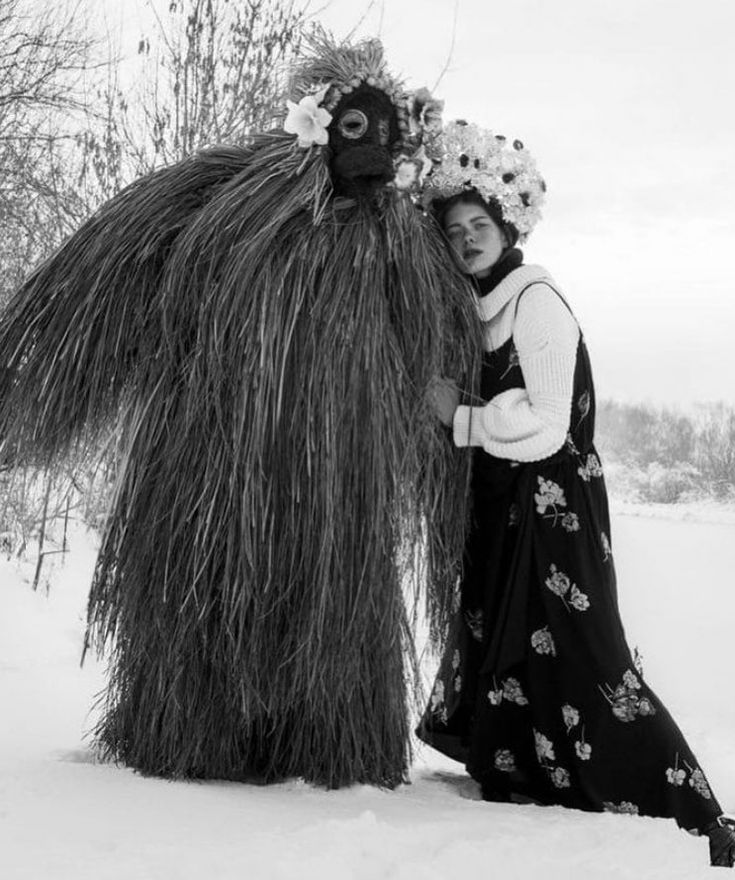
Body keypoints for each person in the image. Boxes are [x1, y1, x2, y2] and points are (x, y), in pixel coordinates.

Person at [416, 121, 735, 868]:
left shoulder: (535, 299)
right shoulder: (478, 305)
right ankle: (524, 769)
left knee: (587, 652)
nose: (467, 239)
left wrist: (458, 419)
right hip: (502, 502)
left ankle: (690, 810)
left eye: (479, 225)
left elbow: (550, 424)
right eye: (455, 229)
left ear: (506, 226)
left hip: (552, 505)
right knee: (503, 633)